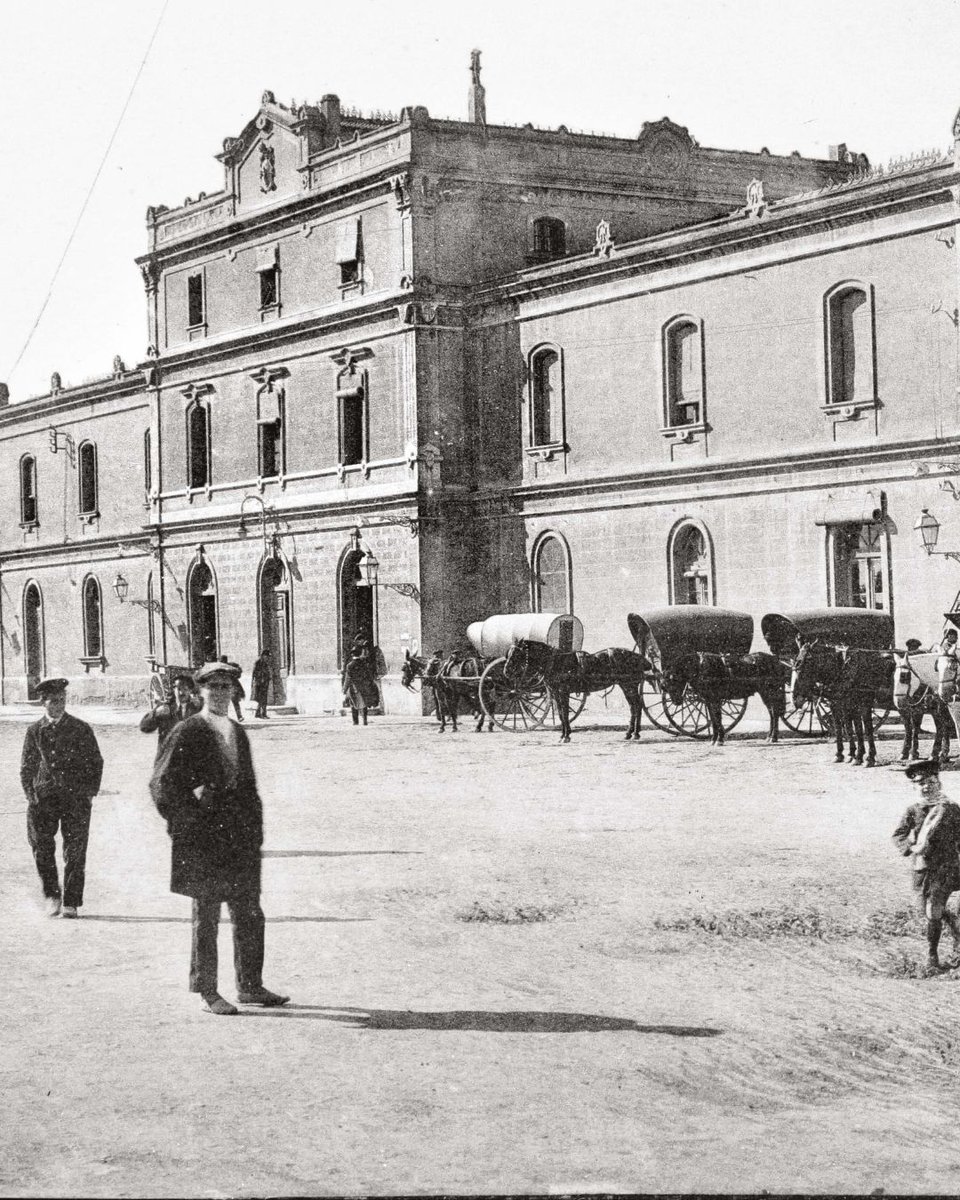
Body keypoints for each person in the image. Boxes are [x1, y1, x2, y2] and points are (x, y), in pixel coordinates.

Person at [150, 661, 289, 1015]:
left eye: (226, 688)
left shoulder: (237, 731)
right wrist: (187, 825)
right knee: (207, 915)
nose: (220, 695)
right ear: (200, 692)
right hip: (205, 840)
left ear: (233, 692)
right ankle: (207, 990)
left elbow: (249, 785)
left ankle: (250, 985)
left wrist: (255, 830)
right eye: (213, 688)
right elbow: (162, 785)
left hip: (240, 839)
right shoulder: (188, 730)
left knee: (249, 912)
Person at [20, 676, 104, 919]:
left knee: (75, 850)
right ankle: (52, 895)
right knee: (41, 848)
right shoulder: (34, 731)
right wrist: (32, 795)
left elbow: (95, 762)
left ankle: (71, 901)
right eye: (53, 701)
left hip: (75, 798)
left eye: (62, 700)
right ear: (43, 702)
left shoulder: (80, 728)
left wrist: (88, 792)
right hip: (43, 799)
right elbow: (27, 767)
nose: (59, 705)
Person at [892, 758, 960, 973]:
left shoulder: (950, 809)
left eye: (930, 781)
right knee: (926, 908)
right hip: (921, 868)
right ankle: (956, 932)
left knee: (933, 909)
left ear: (938, 783)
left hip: (946, 867)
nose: (926, 787)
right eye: (921, 783)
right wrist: (910, 846)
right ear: (915, 786)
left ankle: (932, 955)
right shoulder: (913, 810)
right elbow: (899, 834)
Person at [139, 673, 202, 759]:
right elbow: (144, 727)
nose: (181, 692)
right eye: (178, 689)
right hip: (168, 759)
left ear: (190, 691)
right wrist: (156, 713)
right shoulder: (165, 708)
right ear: (173, 690)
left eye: (185, 689)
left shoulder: (197, 709)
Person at [341, 635, 380, 726]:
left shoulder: (350, 665)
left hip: (354, 687)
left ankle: (355, 721)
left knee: (353, 703)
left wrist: (344, 689)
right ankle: (365, 720)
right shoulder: (364, 663)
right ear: (360, 653)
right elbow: (369, 675)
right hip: (364, 686)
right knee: (364, 703)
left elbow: (348, 678)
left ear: (352, 654)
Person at [219, 655, 245, 721]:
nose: (223, 663)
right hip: (224, 687)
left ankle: (239, 716)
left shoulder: (231, 666)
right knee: (226, 703)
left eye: (223, 661)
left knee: (235, 702)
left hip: (232, 687)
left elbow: (239, 670)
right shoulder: (219, 668)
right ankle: (226, 717)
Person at [251, 649, 272, 719]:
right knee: (261, 699)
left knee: (263, 698)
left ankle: (259, 713)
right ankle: (262, 714)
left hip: (264, 683)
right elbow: (254, 673)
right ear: (263, 655)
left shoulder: (265, 663)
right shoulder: (258, 662)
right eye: (267, 656)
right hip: (259, 683)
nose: (268, 658)